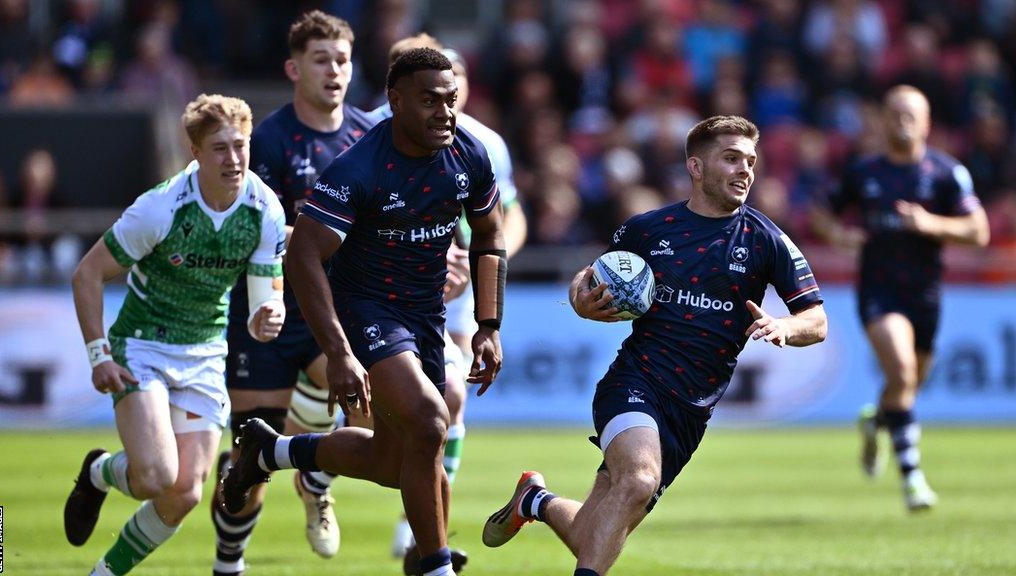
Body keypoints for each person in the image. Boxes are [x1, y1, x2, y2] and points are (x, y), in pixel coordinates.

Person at [482, 115, 828, 576]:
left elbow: (818, 320)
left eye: (750, 160)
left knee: (593, 532)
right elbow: (590, 279)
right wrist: (581, 302)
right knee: (639, 478)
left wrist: (786, 326)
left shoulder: (767, 240)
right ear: (696, 167)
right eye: (730, 158)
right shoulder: (649, 229)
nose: (745, 170)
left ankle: (536, 501)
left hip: (692, 410)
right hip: (635, 382)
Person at [221, 48, 507, 576]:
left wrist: (489, 325)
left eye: (450, 100)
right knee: (430, 418)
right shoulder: (357, 168)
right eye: (429, 101)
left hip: (426, 315)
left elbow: (490, 235)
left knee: (393, 461)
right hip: (364, 308)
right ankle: (433, 563)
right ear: (395, 101)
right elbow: (304, 254)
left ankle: (272, 452)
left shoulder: (470, 154)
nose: (445, 112)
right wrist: (338, 350)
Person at [64, 94, 286, 576]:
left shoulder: (265, 209)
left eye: (241, 146)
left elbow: (266, 298)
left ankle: (102, 572)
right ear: (195, 152)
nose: (233, 159)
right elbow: (87, 274)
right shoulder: (161, 208)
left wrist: (269, 315)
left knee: (185, 492)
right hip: (142, 345)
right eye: (220, 148)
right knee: (155, 476)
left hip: (205, 352)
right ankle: (99, 471)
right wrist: (98, 354)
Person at [208, 11, 374, 573]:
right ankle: (229, 561)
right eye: (321, 60)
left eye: (342, 60)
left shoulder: (368, 136)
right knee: (245, 466)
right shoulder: (269, 141)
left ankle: (315, 477)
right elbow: (253, 231)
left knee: (373, 410)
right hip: (266, 312)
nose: (334, 71)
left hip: (337, 310)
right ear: (293, 68)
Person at [366, 32, 529, 562]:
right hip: (378, 289)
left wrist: (489, 270)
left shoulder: (483, 144)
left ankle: (423, 538)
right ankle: (292, 457)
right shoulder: (366, 133)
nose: (443, 99)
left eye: (450, 85)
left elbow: (500, 224)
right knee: (382, 430)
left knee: (449, 402)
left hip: (453, 286)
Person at [811, 85, 989, 511]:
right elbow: (821, 211)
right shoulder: (864, 172)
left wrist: (930, 223)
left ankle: (877, 421)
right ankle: (913, 480)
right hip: (878, 289)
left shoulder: (946, 173)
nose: (903, 121)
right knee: (904, 369)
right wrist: (837, 234)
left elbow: (978, 231)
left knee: (906, 386)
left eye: (912, 115)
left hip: (925, 292)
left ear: (927, 123)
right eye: (895, 114)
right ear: (883, 121)